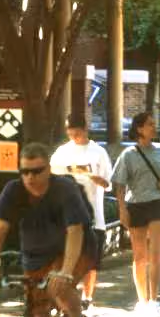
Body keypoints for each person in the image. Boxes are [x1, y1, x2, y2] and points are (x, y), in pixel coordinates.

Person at [0, 142, 94, 317]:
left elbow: (75, 231)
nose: (30, 177)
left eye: (37, 171)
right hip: (36, 255)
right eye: (25, 172)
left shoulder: (64, 189)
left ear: (48, 169)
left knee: (61, 288)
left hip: (73, 251)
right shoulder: (13, 190)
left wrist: (65, 272)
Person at [110, 112, 160, 317]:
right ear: (139, 129)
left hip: (157, 204)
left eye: (153, 124)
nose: (154, 127)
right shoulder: (128, 154)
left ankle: (154, 301)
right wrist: (122, 210)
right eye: (150, 124)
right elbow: (119, 185)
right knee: (139, 257)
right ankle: (142, 300)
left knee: (155, 254)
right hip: (136, 205)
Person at [50, 114, 112, 305]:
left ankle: (87, 296)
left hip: (94, 212)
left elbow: (108, 183)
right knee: (67, 257)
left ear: (85, 129)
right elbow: (52, 176)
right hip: (67, 214)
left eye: (77, 131)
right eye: (70, 132)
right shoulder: (62, 152)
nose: (73, 136)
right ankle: (69, 295)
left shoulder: (98, 152)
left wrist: (94, 178)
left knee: (91, 260)